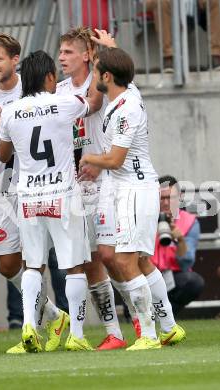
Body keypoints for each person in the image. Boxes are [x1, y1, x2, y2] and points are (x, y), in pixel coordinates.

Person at [0, 32, 67, 353]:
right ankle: (53, 315)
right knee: (8, 265)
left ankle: (32, 331)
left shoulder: (33, 87)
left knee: (35, 259)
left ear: (15, 60)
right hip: (2, 189)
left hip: (35, 185)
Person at [0, 50, 102, 352]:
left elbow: (3, 156)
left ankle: (29, 327)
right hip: (63, 195)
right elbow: (94, 102)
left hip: (29, 196)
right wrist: (97, 64)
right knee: (74, 267)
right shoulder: (65, 103)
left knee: (32, 265)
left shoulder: (11, 111)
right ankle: (78, 335)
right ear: (50, 77)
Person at [80, 43, 162, 350]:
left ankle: (149, 335)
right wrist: (107, 48)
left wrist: (90, 159)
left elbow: (114, 160)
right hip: (125, 190)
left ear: (108, 76)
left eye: (97, 70)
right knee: (126, 259)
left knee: (127, 261)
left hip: (136, 190)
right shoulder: (124, 97)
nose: (93, 76)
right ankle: (158, 330)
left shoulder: (126, 108)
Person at [57, 26, 126, 351]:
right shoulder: (57, 91)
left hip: (107, 181)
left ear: (87, 55)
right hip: (75, 186)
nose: (62, 57)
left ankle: (149, 318)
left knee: (114, 257)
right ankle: (114, 331)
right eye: (60, 52)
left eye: (69, 51)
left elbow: (95, 105)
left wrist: (104, 56)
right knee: (89, 262)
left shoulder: (101, 82)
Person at [151, 175, 204, 314]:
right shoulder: (144, 219)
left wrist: (180, 240)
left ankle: (164, 316)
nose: (166, 202)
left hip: (173, 277)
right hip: (146, 275)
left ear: (179, 197)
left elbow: (186, 264)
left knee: (194, 282)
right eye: (162, 198)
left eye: (171, 197)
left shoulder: (190, 221)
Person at [146, 0, 220, 71]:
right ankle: (168, 57)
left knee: (216, 1)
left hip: (194, 7)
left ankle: (215, 55)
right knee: (161, 2)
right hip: (169, 8)